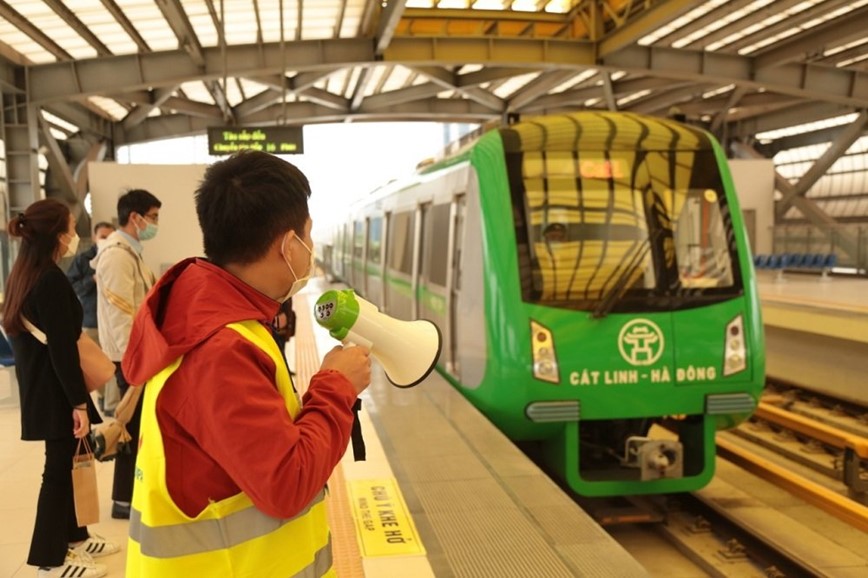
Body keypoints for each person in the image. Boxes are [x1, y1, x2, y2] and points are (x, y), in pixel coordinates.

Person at [122, 150, 371, 577]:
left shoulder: (217, 320)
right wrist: (336, 386)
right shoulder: (219, 349)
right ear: (288, 244)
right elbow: (286, 483)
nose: (311, 250)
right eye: (308, 237)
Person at [3, 199, 119, 578]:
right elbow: (61, 349)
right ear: (57, 234)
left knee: (68, 465)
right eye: (71, 227)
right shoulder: (49, 279)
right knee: (56, 473)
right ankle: (49, 561)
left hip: (42, 386)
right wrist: (78, 404)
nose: (75, 235)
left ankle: (75, 539)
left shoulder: (25, 273)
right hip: (56, 390)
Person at [91, 189, 160, 520]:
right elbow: (122, 315)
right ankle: (123, 499)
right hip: (130, 357)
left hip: (135, 354)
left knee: (135, 423)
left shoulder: (129, 252)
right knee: (128, 426)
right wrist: (136, 359)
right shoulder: (118, 255)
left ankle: (129, 494)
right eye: (153, 217)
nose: (155, 224)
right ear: (136, 217)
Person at [66, 221, 117, 415]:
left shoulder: (116, 257)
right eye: (103, 236)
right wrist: (92, 279)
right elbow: (71, 286)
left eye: (110, 236)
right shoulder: (82, 260)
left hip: (112, 322)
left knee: (112, 365)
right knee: (95, 366)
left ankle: (111, 405)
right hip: (91, 320)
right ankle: (103, 398)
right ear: (95, 238)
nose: (106, 240)